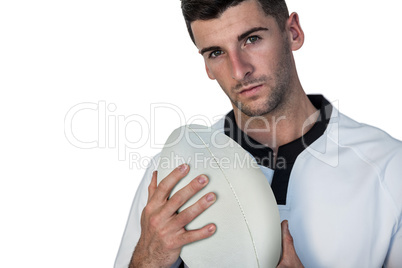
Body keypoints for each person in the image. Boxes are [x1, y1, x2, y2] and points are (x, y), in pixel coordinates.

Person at [115, 0, 402, 267]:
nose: (239, 71)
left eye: (251, 39)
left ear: (293, 33)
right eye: (216, 52)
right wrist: (148, 257)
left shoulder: (390, 168)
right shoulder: (173, 172)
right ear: (206, 66)